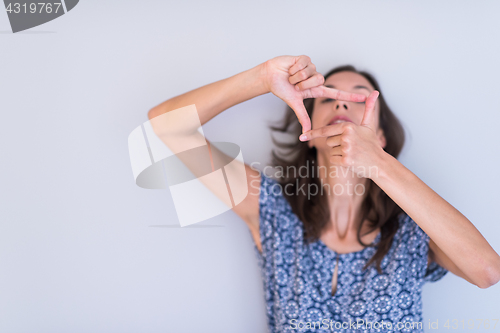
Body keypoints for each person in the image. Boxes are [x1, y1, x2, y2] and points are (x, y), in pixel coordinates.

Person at [147, 55, 500, 333]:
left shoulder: (414, 230)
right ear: (309, 129)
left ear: (380, 136)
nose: (342, 105)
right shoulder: (273, 212)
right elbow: (166, 124)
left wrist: (378, 163)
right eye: (325, 97)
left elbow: (486, 270)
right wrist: (261, 78)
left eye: (359, 99)